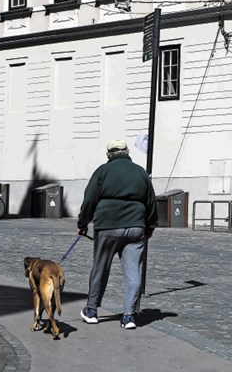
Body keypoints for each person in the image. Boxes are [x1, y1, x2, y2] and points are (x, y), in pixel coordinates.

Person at [77, 140, 158, 329]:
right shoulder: (140, 172)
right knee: (133, 273)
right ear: (127, 151)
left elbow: (89, 198)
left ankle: (91, 310)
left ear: (108, 154)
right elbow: (151, 202)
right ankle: (129, 316)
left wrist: (82, 223)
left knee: (100, 268)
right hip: (136, 227)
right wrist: (150, 228)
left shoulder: (102, 171)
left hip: (108, 226)